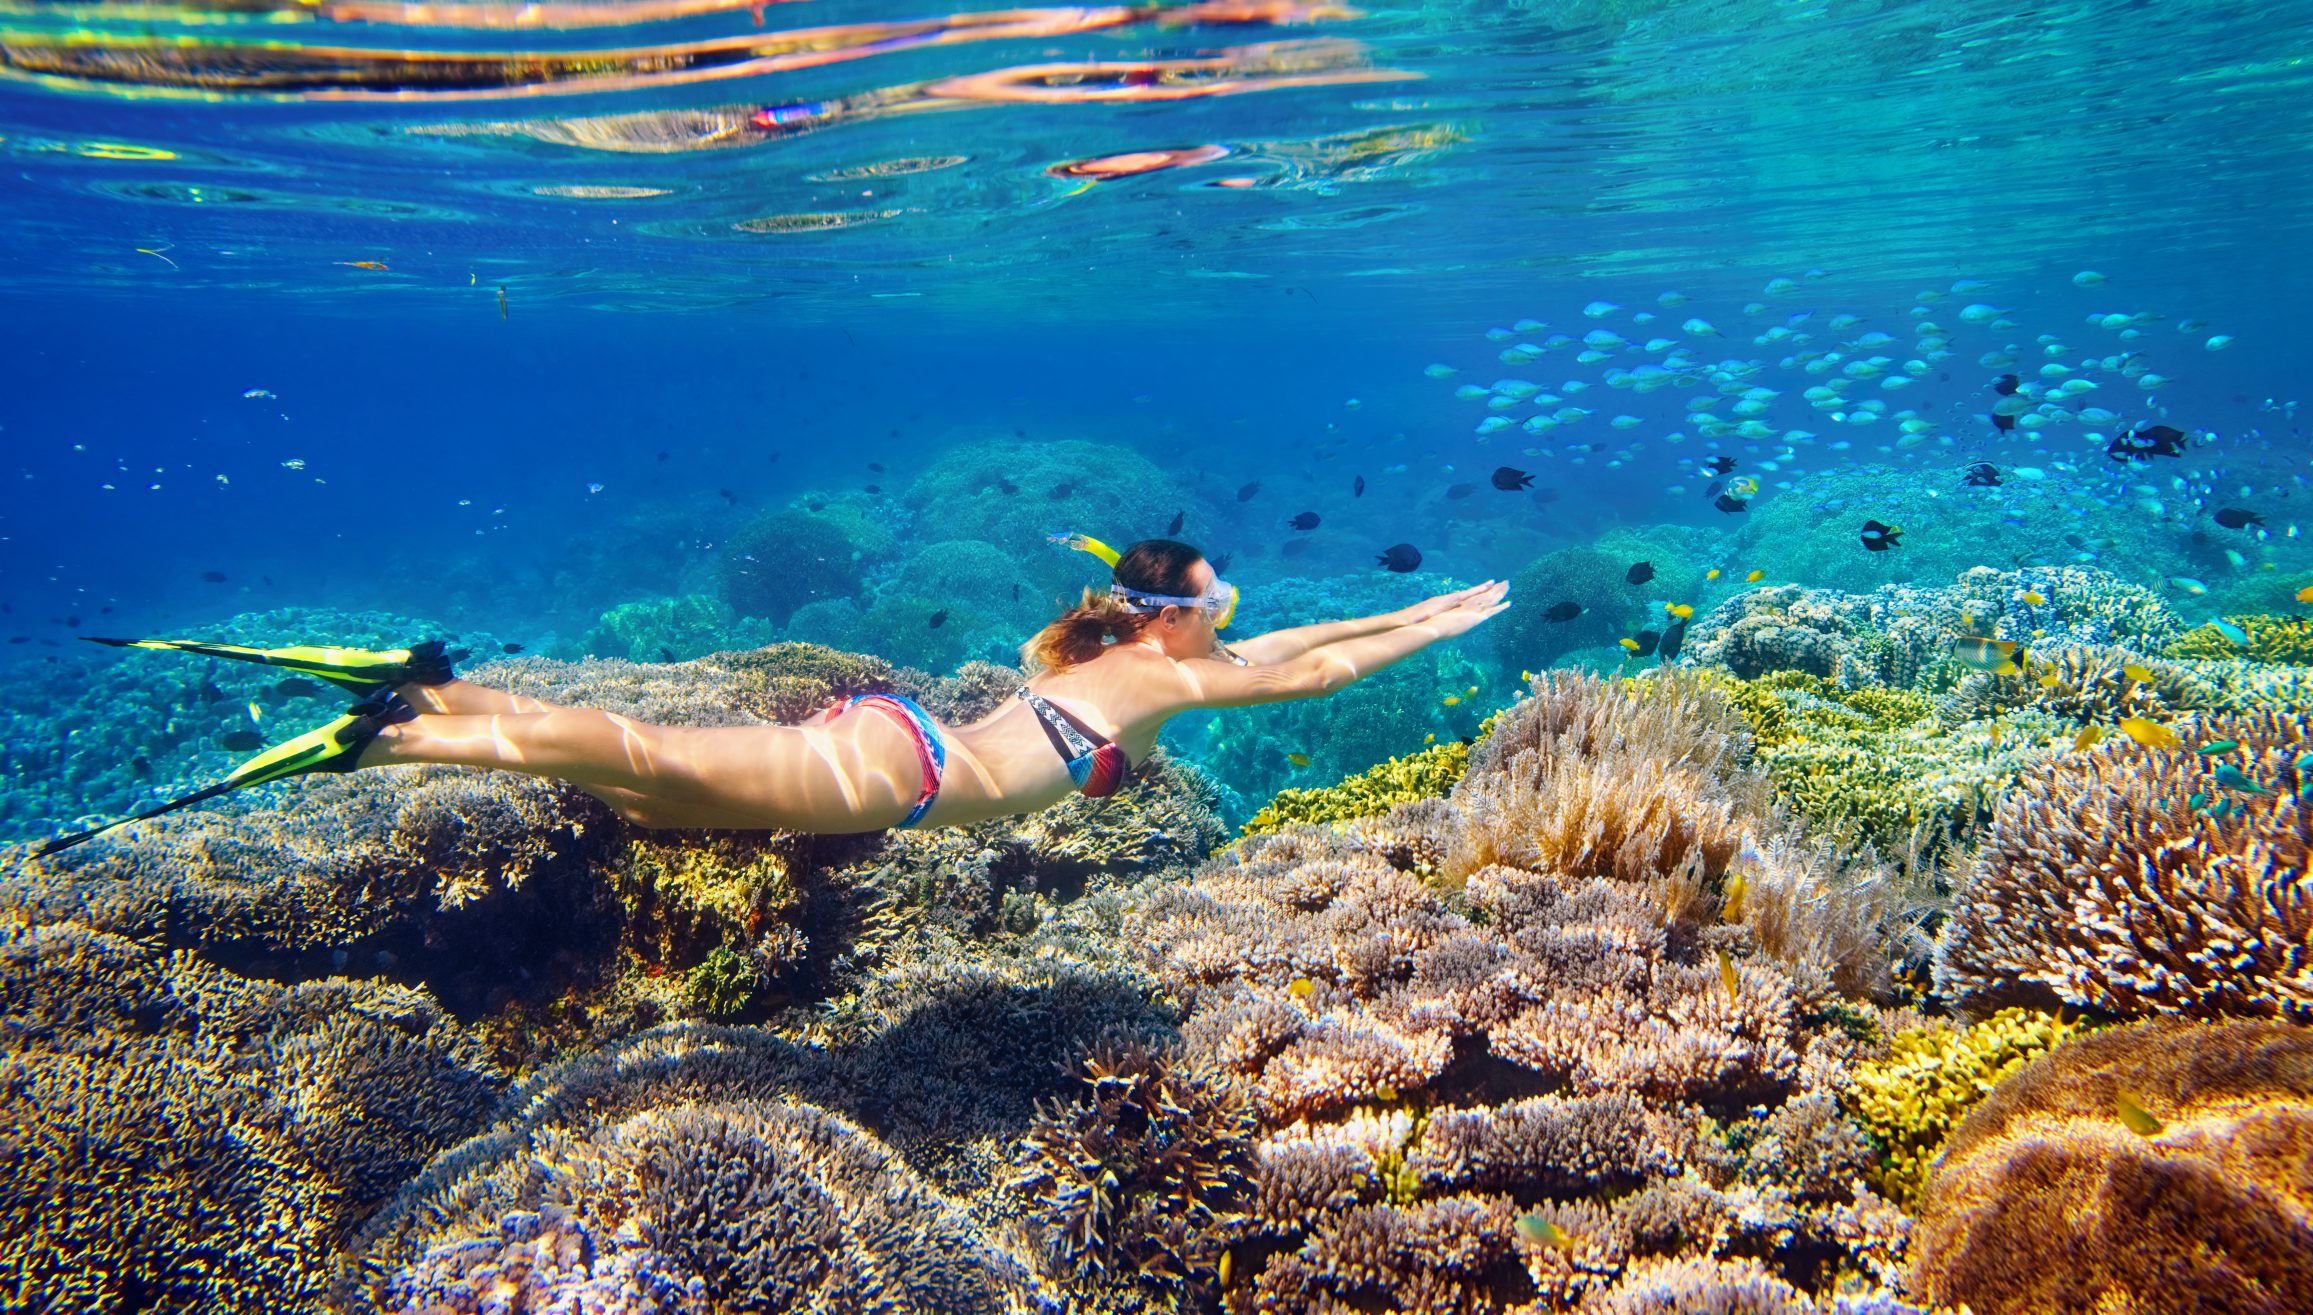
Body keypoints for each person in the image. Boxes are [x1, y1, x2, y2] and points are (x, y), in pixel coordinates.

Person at [32, 539, 1506, 854]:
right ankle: (410, 711)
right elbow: (1317, 660)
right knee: (646, 763)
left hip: (888, 744)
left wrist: (1421, 604)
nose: (1243, 630)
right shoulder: (1160, 685)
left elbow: (1307, 632)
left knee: (637, 783)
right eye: (1225, 610)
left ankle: (412, 718)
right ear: (1187, 624)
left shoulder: (1095, 653)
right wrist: (1421, 633)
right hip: (890, 778)